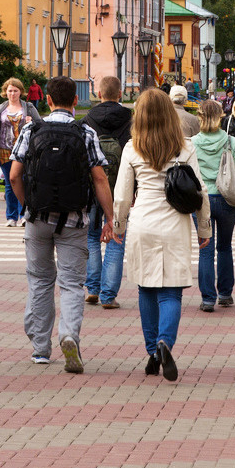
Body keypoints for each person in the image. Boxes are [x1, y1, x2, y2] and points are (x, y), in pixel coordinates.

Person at [9, 75, 115, 373]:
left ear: (48, 100)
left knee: (40, 281)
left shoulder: (32, 128)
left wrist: (26, 205)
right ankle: (69, 335)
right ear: (75, 102)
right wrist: (109, 217)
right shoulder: (86, 132)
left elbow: (15, 175)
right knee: (70, 284)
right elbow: (99, 178)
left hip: (38, 218)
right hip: (74, 219)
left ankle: (41, 349)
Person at [110, 88, 211, 381]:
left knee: (146, 288)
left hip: (143, 221)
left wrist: (119, 225)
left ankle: (153, 351)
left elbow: (122, 196)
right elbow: (200, 192)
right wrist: (204, 229)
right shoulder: (186, 147)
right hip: (175, 223)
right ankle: (165, 341)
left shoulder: (132, 148)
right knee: (171, 292)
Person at [193, 98, 235, 311]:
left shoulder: (192, 143)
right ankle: (226, 294)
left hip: (202, 201)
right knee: (225, 247)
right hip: (227, 199)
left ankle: (208, 299)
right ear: (221, 117)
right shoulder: (230, 141)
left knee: (205, 249)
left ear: (200, 118)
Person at [83, 74, 133, 309]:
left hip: (94, 186)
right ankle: (108, 295)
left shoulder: (87, 120)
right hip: (122, 187)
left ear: (99, 94)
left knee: (92, 237)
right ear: (120, 94)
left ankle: (92, 289)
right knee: (117, 238)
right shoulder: (131, 120)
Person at [0, 78, 43, 226]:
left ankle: (24, 215)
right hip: (4, 151)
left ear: (21, 92)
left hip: (24, 152)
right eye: (10, 91)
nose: (12, 93)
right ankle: (11, 217)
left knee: (24, 182)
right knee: (10, 182)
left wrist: (31, 123)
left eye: (15, 90)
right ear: (5, 92)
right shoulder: (1, 109)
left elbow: (40, 126)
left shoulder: (29, 108)